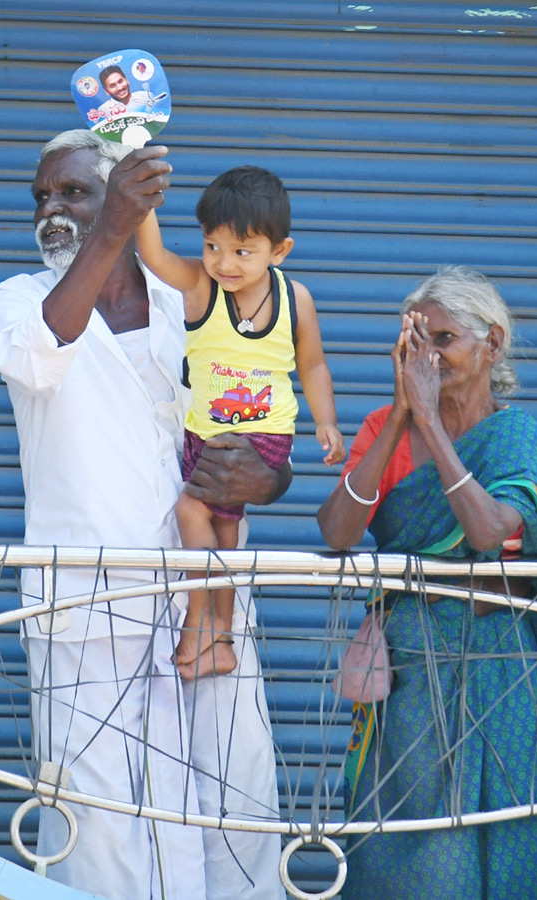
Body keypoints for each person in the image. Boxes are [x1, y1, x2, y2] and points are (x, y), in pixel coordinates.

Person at [0, 129, 287, 900]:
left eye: (74, 193)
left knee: (229, 807)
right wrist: (111, 224)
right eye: (43, 197)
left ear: (129, 198)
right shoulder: (19, 301)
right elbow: (35, 354)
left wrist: (266, 482)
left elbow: (262, 426)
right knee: (103, 828)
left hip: (206, 602)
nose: (52, 208)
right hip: (89, 610)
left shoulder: (191, 303)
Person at [318, 266, 537, 900]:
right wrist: (401, 416)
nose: (427, 355)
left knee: (509, 835)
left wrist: (432, 424)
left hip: (503, 673)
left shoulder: (519, 440)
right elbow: (339, 532)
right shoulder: (384, 429)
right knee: (414, 852)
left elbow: (487, 531)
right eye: (414, 340)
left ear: (492, 344)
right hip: (412, 677)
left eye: (442, 338)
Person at [137, 164, 345, 678]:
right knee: (225, 533)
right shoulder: (201, 288)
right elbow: (155, 256)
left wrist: (327, 421)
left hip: (260, 441)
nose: (223, 263)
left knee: (191, 511)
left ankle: (195, 622)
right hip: (204, 435)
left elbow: (312, 363)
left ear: (280, 251)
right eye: (212, 246)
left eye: (242, 252)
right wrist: (141, 199)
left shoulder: (295, 299)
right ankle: (222, 642)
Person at [98, 65, 166, 117]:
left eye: (120, 81)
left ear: (127, 80)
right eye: (112, 86)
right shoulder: (103, 110)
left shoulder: (147, 96)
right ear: (106, 91)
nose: (119, 87)